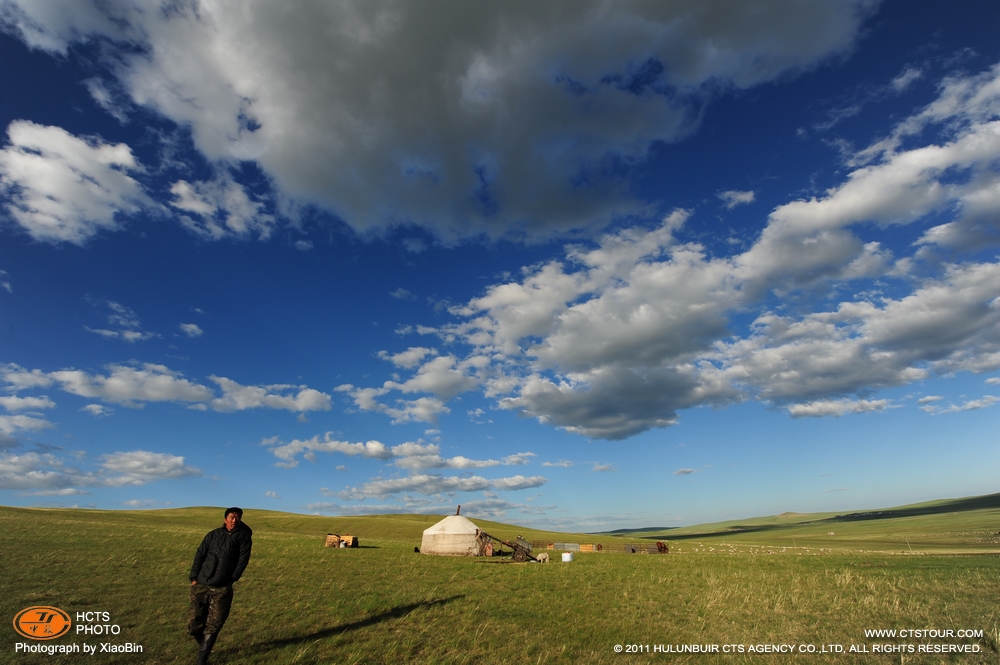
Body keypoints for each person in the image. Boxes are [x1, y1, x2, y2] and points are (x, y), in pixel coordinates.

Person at [188, 507, 253, 664]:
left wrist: (231, 579)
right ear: (225, 519)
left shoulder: (243, 537)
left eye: (238, 517)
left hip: (222, 587)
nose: (234, 520)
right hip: (201, 583)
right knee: (194, 624)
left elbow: (242, 561)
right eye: (231, 517)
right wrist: (194, 577)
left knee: (214, 623)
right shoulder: (213, 535)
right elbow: (200, 555)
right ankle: (205, 646)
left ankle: (202, 659)